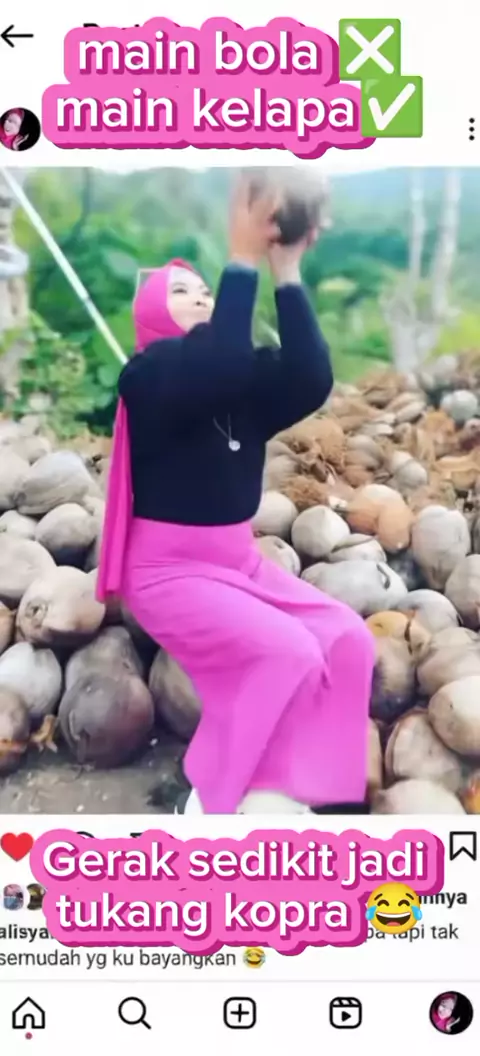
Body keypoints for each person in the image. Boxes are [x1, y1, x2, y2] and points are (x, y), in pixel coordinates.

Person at [96, 177, 375, 815]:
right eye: (180, 292)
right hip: (167, 574)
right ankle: (212, 795)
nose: (199, 295)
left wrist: (287, 268)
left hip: (236, 563)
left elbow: (309, 376)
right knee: (285, 650)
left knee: (346, 638)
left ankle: (302, 784)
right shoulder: (148, 375)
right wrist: (241, 256)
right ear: (150, 314)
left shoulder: (237, 378)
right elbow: (215, 366)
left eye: (203, 289)